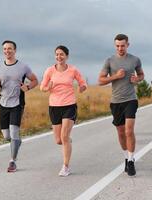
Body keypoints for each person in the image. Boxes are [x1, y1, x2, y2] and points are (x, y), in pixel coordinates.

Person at [0, 40, 38, 173]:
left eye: (10, 48)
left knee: (14, 131)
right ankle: (16, 142)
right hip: (3, 103)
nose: (7, 51)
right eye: (5, 49)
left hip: (17, 103)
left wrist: (27, 87)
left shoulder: (23, 67)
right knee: (6, 135)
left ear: (15, 50)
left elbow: (35, 80)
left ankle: (12, 161)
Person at [98, 34, 144, 176]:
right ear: (115, 45)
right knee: (121, 132)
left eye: (122, 45)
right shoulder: (109, 61)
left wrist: (137, 79)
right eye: (117, 45)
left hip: (130, 99)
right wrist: (115, 77)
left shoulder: (135, 60)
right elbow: (100, 80)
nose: (120, 48)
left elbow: (141, 75)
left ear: (127, 45)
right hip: (116, 101)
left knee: (129, 130)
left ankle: (131, 161)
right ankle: (126, 156)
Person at [40, 45, 87, 177]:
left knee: (64, 136)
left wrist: (82, 87)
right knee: (58, 140)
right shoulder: (49, 71)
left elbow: (83, 83)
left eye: (61, 54)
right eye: (57, 54)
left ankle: (65, 167)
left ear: (67, 56)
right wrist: (47, 87)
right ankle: (67, 141)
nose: (59, 57)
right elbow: (42, 87)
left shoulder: (73, 70)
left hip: (69, 105)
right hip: (54, 107)